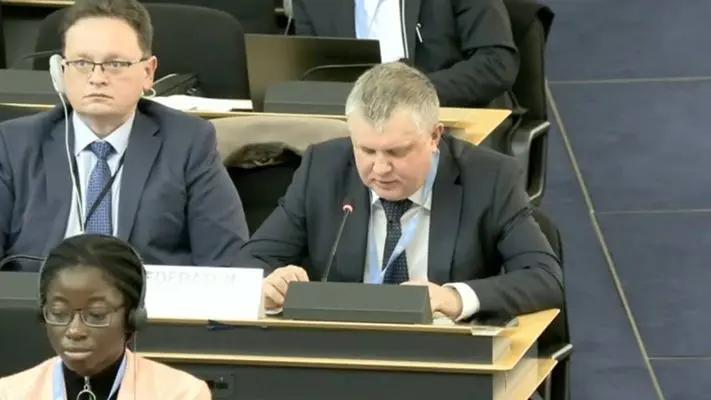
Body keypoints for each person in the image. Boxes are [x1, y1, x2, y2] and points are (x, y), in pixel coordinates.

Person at [237, 62, 563, 319]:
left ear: (434, 136)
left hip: (439, 356)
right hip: (341, 349)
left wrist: (452, 298)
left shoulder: (489, 178)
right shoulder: (322, 169)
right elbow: (251, 261)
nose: (380, 168)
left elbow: (544, 277)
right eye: (367, 150)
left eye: (396, 152)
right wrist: (271, 283)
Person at [0, 0, 249, 269]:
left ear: (148, 72)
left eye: (115, 63)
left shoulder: (188, 143)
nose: (97, 78)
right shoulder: (15, 144)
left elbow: (227, 262)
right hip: (38, 295)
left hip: (147, 295)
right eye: (82, 62)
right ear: (61, 72)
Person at [0, 234, 211, 399]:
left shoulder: (181, 394)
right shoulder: (9, 393)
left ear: (132, 317)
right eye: (59, 313)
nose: (75, 331)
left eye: (96, 315)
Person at [291, 0, 519, 108]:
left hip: (447, 115)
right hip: (354, 125)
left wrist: (412, 92)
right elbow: (311, 76)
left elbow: (497, 63)